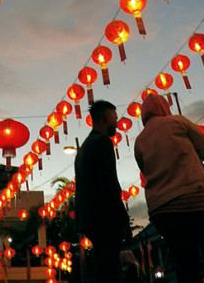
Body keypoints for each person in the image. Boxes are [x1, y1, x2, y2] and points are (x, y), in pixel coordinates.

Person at [133, 93, 204, 283]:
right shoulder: (177, 122)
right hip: (198, 197)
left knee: (185, 263)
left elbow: (145, 170)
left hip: (164, 209)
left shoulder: (139, 141)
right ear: (164, 107)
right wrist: (193, 159)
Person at [75, 99, 130, 283]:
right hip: (105, 218)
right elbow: (108, 183)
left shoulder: (85, 147)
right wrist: (122, 219)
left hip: (89, 219)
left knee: (102, 268)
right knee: (109, 270)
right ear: (106, 116)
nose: (117, 122)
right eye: (115, 117)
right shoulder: (102, 143)